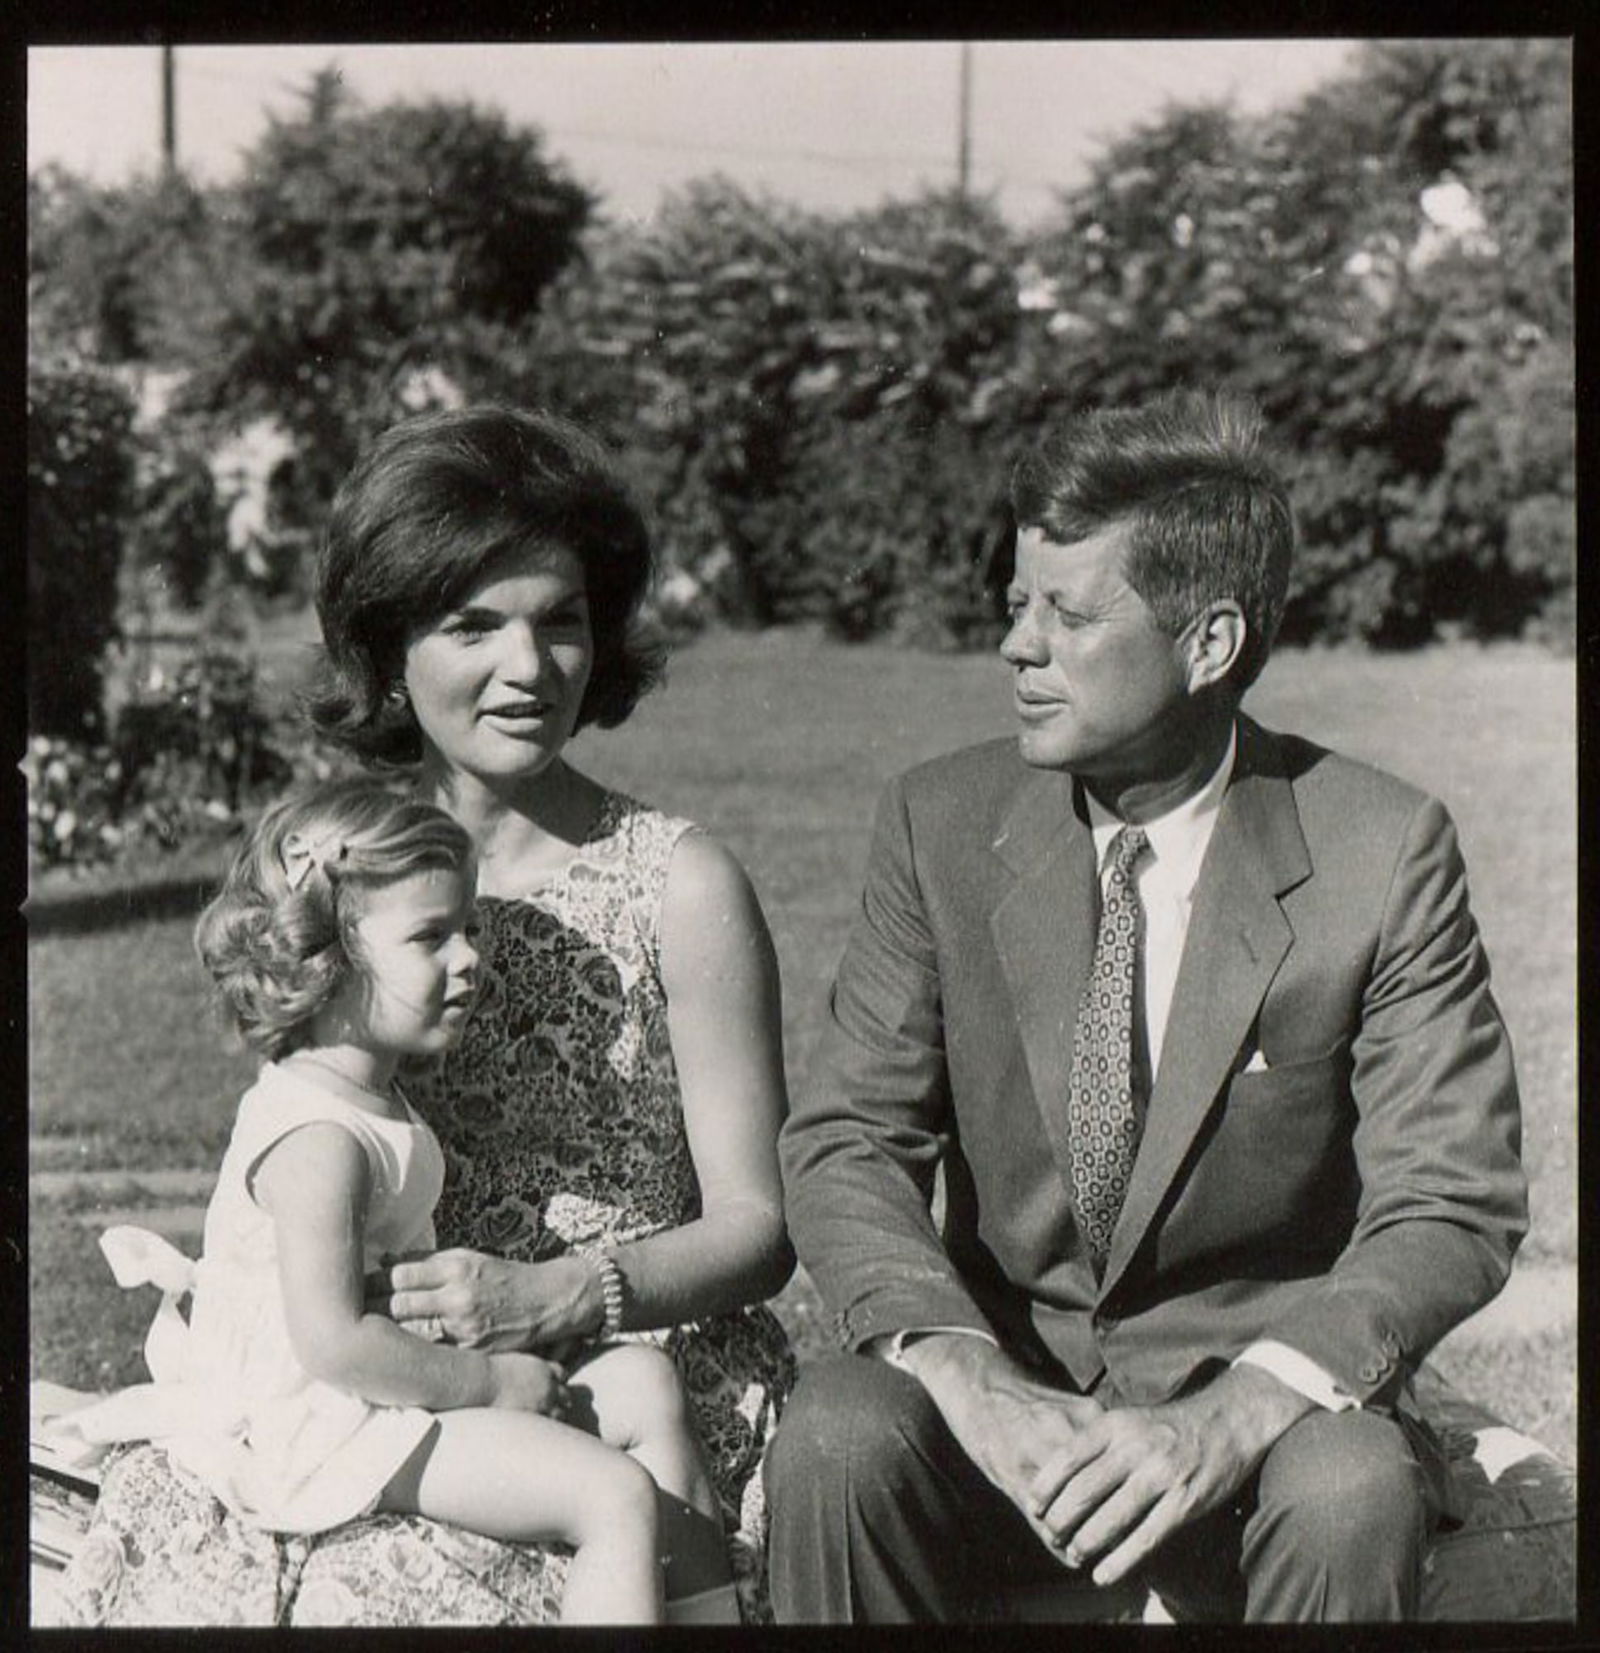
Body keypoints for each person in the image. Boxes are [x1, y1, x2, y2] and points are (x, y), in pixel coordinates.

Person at [767, 390, 1527, 1624]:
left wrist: (1233, 1418)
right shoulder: (938, 823)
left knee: (1349, 1488)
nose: (1016, 647)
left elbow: (1450, 1199)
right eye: (1016, 603)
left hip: (1258, 1439)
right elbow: (848, 1140)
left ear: (1209, 643)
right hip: (1003, 1415)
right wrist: (964, 1373)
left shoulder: (1380, 851)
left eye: (1067, 616)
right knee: (840, 1433)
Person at [55, 405, 795, 1628]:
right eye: (473, 625)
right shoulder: (345, 872)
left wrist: (566, 1296)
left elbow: (758, 1231)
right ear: (389, 649)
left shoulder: (678, 883)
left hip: (631, 1380)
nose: (529, 666)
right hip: (384, 1394)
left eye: (562, 620)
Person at [48, 778, 730, 1624]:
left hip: (376, 1388)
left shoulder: (369, 1094)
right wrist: (490, 1382)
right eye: (431, 936)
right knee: (612, 1494)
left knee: (645, 1383)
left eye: (469, 927)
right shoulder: (317, 1136)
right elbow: (332, 1342)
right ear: (329, 958)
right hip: (320, 1420)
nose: (469, 957)